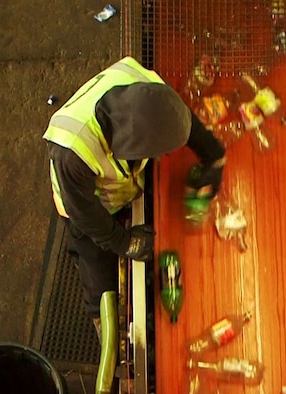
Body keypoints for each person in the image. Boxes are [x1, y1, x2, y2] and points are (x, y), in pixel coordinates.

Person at [43, 56, 226, 334]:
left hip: (120, 185)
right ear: (131, 147)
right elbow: (85, 215)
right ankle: (103, 325)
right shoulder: (72, 153)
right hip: (83, 204)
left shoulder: (146, 90)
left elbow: (177, 117)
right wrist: (125, 242)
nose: (162, 156)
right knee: (94, 261)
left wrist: (212, 155)